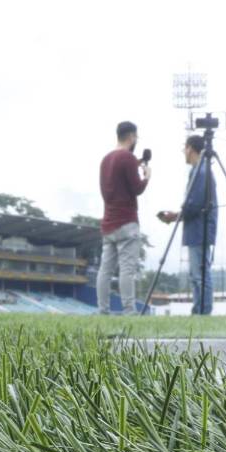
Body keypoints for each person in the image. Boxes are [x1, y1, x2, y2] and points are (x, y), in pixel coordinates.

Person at [157, 134, 217, 315]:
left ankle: (202, 312)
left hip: (199, 229)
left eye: (185, 148)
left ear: (190, 148)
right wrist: (177, 215)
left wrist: (176, 216)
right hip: (199, 229)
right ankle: (199, 310)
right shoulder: (202, 170)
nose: (184, 152)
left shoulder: (200, 170)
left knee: (199, 275)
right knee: (198, 275)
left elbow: (195, 204)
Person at [96, 121, 150, 314]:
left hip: (109, 221)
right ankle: (129, 310)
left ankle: (103, 310)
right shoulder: (127, 157)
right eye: (136, 137)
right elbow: (136, 188)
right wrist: (146, 177)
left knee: (105, 270)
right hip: (126, 220)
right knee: (127, 269)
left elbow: (111, 185)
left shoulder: (106, 159)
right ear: (131, 136)